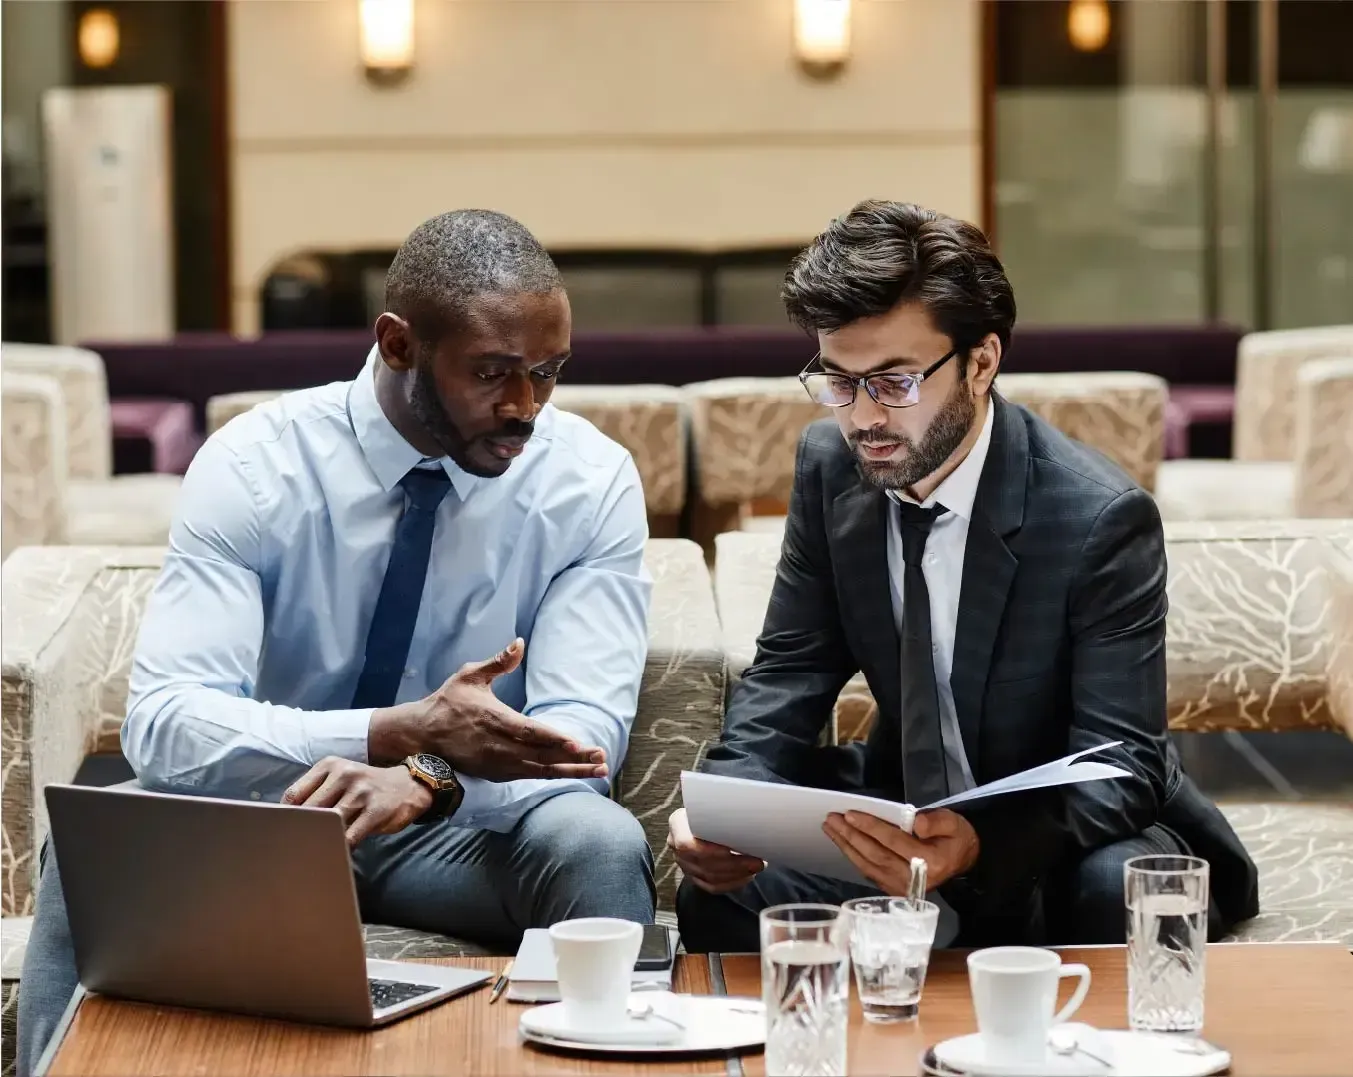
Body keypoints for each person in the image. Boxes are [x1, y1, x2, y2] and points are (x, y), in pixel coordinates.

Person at [18, 209, 656, 1075]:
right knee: (93, 838)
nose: (525, 407)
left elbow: (582, 739)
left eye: (548, 374)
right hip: (271, 817)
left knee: (599, 840)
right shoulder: (255, 466)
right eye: (493, 374)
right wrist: (389, 730)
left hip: (457, 827)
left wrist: (423, 775)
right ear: (397, 344)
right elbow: (166, 724)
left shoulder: (586, 480)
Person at [672, 200, 1258, 953]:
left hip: (1057, 837)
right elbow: (793, 669)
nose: (861, 418)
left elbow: (1122, 761)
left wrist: (977, 841)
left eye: (894, 382)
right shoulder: (830, 470)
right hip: (903, 814)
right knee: (720, 893)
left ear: (980, 361)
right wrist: (728, 811)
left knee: (1119, 894)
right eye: (838, 381)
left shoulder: (1096, 517)